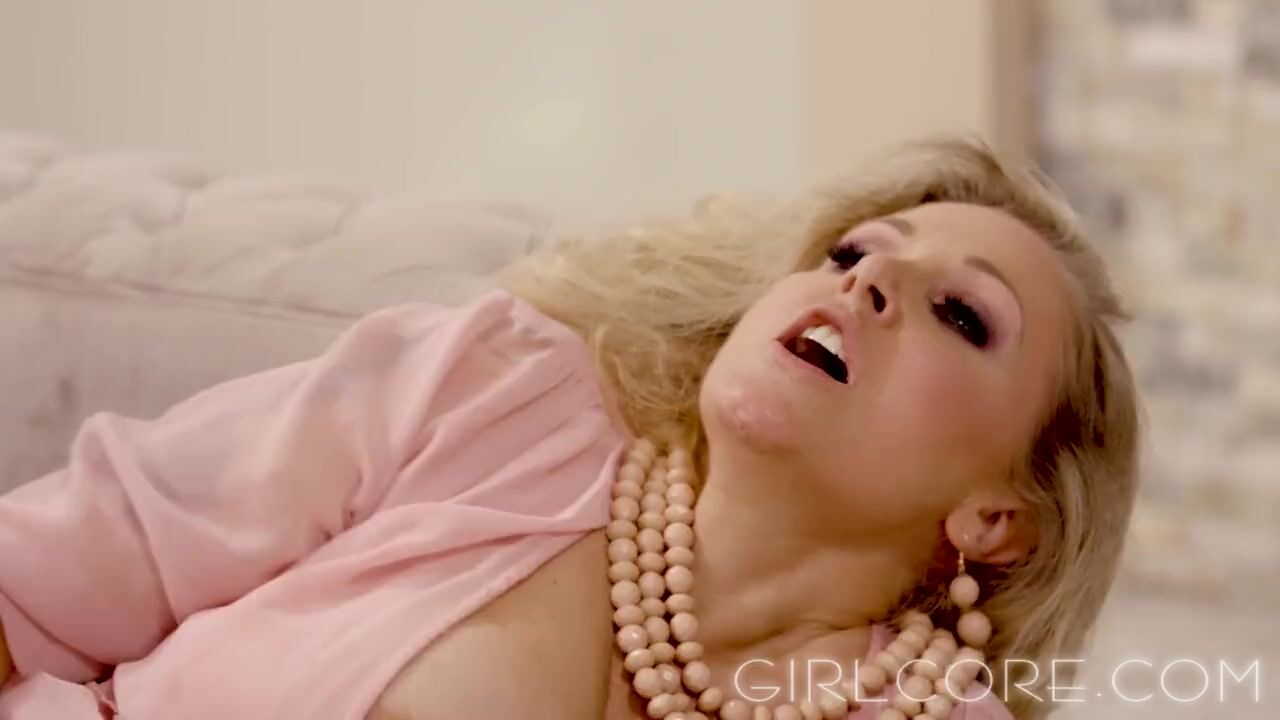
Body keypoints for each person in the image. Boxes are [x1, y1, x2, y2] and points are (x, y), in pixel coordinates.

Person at [0, 138, 1140, 720]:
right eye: (852, 252)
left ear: (998, 517)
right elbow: (51, 566)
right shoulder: (503, 392)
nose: (868, 282)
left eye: (960, 315)